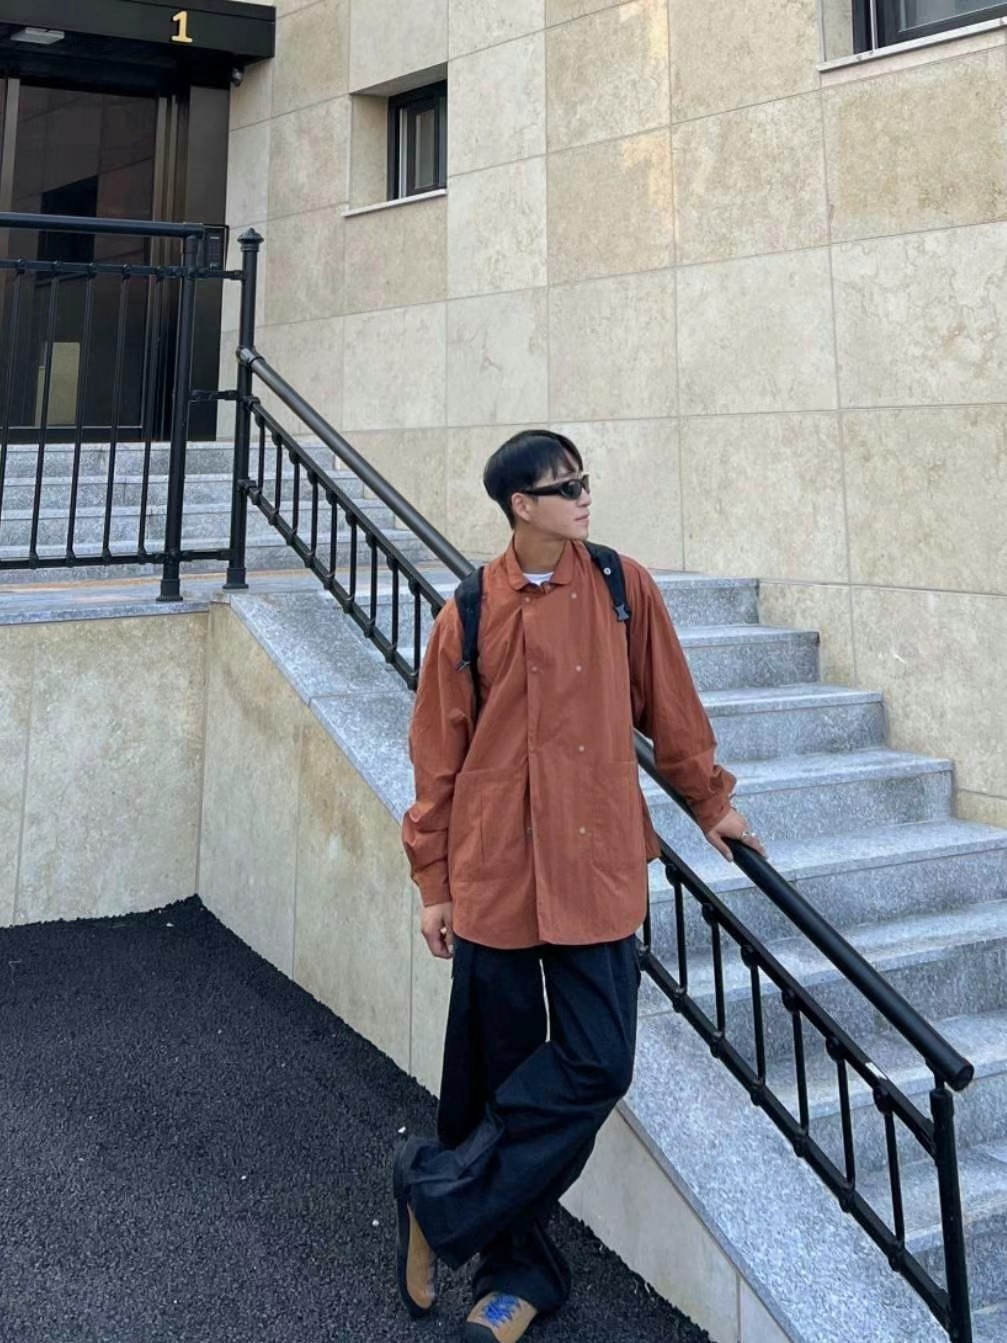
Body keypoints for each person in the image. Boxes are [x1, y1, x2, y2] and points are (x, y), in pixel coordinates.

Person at [393, 429, 766, 1342]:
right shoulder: (469, 610)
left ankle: (436, 1191)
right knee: (496, 1072)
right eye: (565, 487)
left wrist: (710, 803)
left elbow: (670, 707)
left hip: (596, 867)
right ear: (521, 505)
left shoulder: (620, 586)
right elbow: (437, 758)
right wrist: (433, 879)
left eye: (584, 481)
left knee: (599, 1061)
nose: (584, 496)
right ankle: (513, 1276)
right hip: (496, 874)